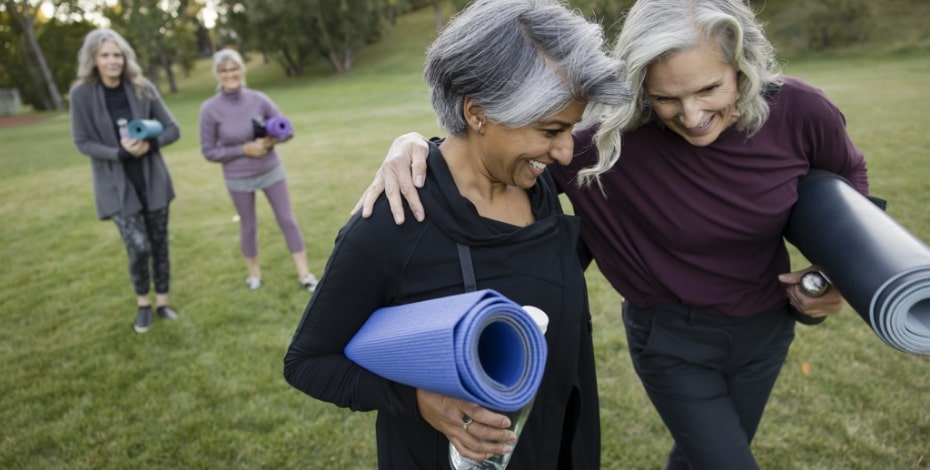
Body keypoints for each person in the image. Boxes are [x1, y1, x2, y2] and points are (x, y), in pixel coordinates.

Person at [352, 0, 874, 468]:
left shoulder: (802, 112)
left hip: (768, 329)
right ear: (640, 85)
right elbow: (491, 158)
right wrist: (416, 145)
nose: (692, 116)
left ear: (743, 66)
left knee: (708, 452)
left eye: (710, 88)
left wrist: (835, 273)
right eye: (667, 97)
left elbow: (848, 183)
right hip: (672, 341)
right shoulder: (602, 148)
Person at [284, 0, 631, 468]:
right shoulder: (394, 224)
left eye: (571, 127)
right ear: (477, 112)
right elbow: (308, 362)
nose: (567, 152)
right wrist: (416, 400)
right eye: (551, 129)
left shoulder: (543, 187)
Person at [70, 29, 181, 334]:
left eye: (117, 55)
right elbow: (82, 142)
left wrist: (150, 145)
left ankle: (162, 303)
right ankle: (143, 304)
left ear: (125, 57)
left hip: (152, 181)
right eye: (105, 55)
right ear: (93, 59)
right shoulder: (81, 94)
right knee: (138, 246)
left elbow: (173, 128)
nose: (112, 61)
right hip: (115, 186)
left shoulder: (142, 87)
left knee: (159, 244)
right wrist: (118, 153)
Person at [198, 49, 319, 292]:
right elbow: (209, 151)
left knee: (287, 219)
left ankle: (305, 274)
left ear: (242, 71)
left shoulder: (258, 99)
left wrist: (273, 140)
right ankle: (254, 275)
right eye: (224, 70)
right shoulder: (209, 109)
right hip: (238, 178)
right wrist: (243, 149)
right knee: (248, 225)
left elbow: (288, 130)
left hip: (270, 170)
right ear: (217, 75)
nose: (230, 74)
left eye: (234, 69)